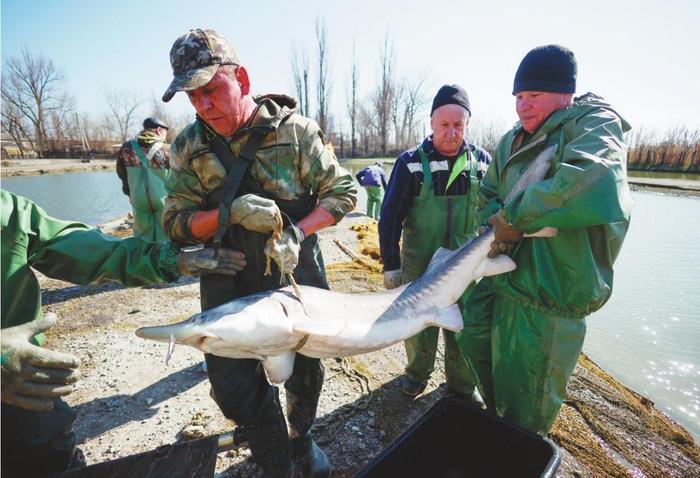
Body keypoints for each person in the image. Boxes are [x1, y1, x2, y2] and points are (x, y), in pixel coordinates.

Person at [160, 28, 357, 477]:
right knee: (232, 385)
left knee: (306, 370)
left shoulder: (298, 132)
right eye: (192, 97)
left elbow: (343, 193)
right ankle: (272, 454)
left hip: (294, 271)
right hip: (226, 274)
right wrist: (227, 215)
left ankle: (301, 441)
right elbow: (175, 224)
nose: (203, 106)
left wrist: (300, 232)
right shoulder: (188, 147)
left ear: (242, 79)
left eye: (211, 90)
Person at [0, 189, 247, 476]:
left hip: (27, 386)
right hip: (16, 374)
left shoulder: (10, 211)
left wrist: (171, 261)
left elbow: (88, 250)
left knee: (48, 456)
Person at [456, 45, 633, 435]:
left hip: (548, 295)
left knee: (528, 401)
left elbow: (590, 179)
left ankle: (521, 448)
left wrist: (513, 218)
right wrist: (495, 221)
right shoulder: (512, 140)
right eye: (518, 97)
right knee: (473, 343)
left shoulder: (594, 124)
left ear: (565, 93)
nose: (522, 106)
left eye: (533, 95)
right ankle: (501, 429)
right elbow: (486, 198)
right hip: (502, 282)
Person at [378, 84, 491, 401]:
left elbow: (493, 211)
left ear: (467, 124)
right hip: (420, 266)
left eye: (459, 125)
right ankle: (416, 375)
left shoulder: (481, 162)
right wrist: (391, 265)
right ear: (431, 123)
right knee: (418, 329)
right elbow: (389, 218)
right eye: (444, 125)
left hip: (466, 268)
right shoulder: (411, 163)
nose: (452, 133)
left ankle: (461, 385)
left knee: (463, 328)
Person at [116, 116, 172, 243]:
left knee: (142, 237)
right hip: (163, 198)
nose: (165, 137)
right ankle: (163, 260)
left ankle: (143, 260)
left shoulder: (126, 148)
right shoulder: (166, 150)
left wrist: (128, 193)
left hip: (138, 197)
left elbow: (121, 173)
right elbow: (178, 176)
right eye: (165, 133)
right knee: (165, 234)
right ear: (159, 130)